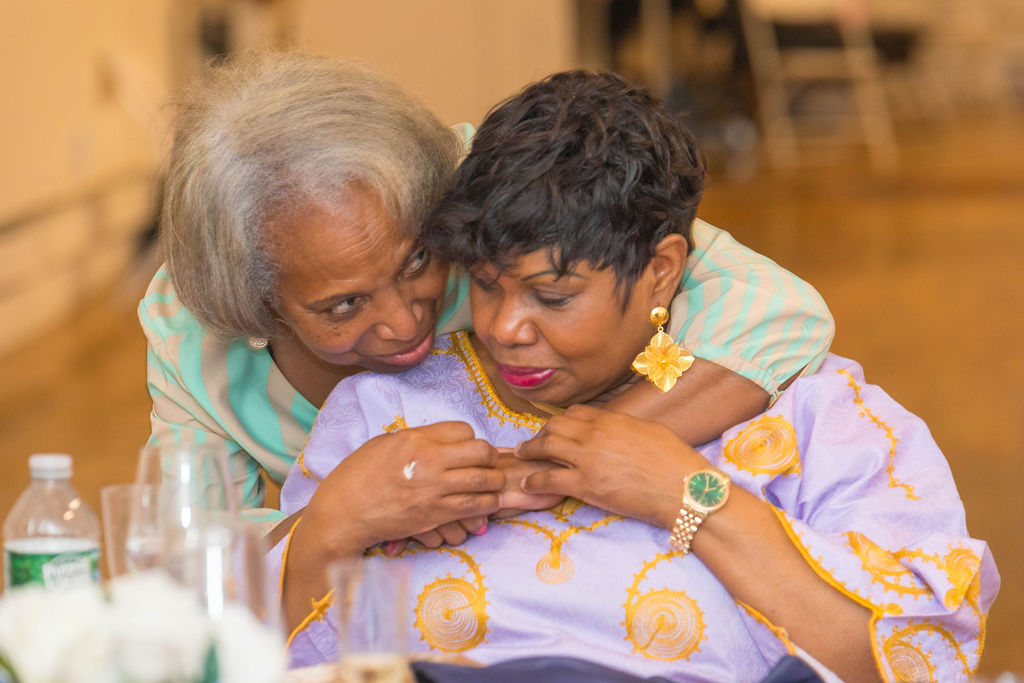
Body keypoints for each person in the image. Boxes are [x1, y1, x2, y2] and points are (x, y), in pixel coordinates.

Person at [271, 70, 998, 682]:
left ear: (661, 272)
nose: (502, 328)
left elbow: (914, 654)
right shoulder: (386, 412)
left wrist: (689, 495)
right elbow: (231, 645)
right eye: (485, 284)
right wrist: (332, 524)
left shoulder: (813, 417)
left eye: (552, 297)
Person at [138, 51, 834, 526]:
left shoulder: (475, 190)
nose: (406, 320)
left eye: (420, 260)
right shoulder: (192, 332)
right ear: (254, 306)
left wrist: (550, 467)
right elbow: (192, 570)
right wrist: (341, 515)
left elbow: (780, 312)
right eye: (344, 306)